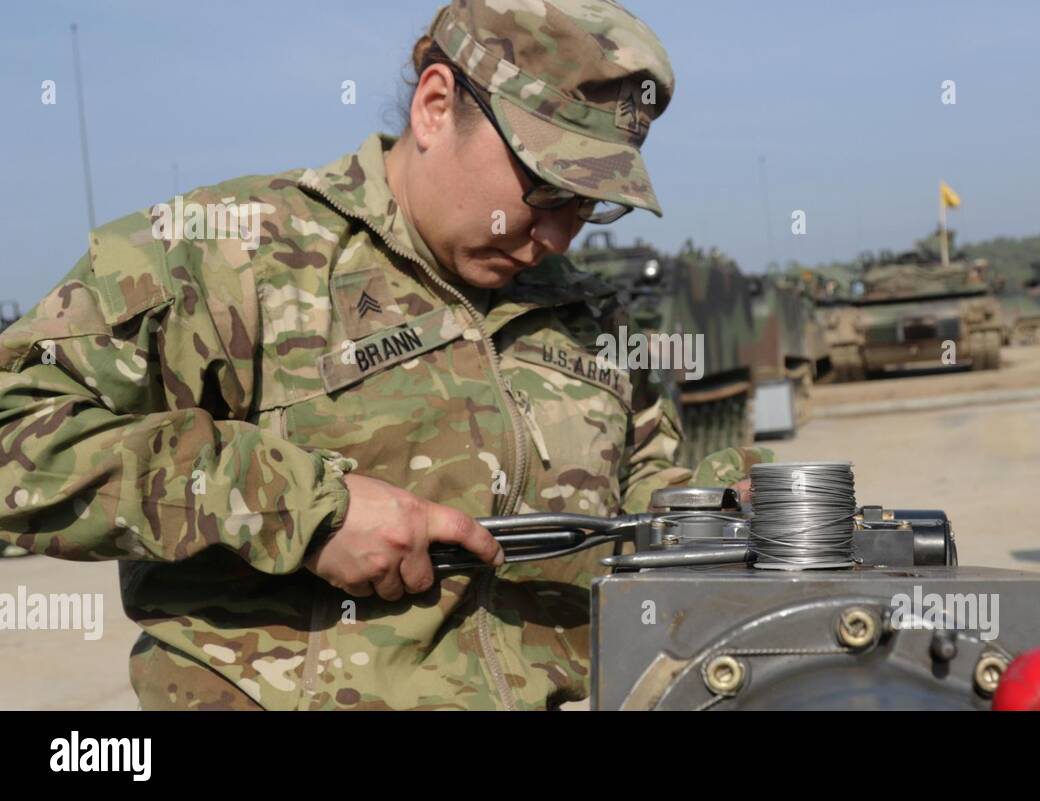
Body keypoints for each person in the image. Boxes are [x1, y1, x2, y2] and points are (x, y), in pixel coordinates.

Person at [0, 0, 765, 710]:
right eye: (545, 190)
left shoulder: (595, 314)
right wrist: (305, 510)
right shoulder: (231, 254)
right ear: (436, 106)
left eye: (590, 205)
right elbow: (16, 433)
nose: (561, 236)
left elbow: (640, 500)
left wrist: (729, 504)